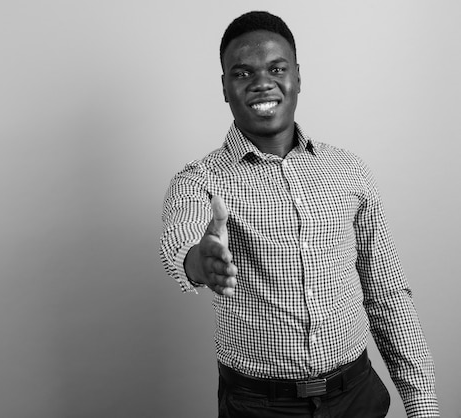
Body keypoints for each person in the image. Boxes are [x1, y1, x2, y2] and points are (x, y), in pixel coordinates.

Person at [159, 11, 439, 418]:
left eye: (276, 68)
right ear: (224, 87)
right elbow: (180, 241)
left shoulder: (350, 170)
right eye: (242, 73)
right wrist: (200, 261)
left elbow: (388, 294)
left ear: (297, 78)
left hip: (357, 396)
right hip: (259, 406)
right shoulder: (198, 180)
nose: (262, 83)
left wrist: (422, 406)